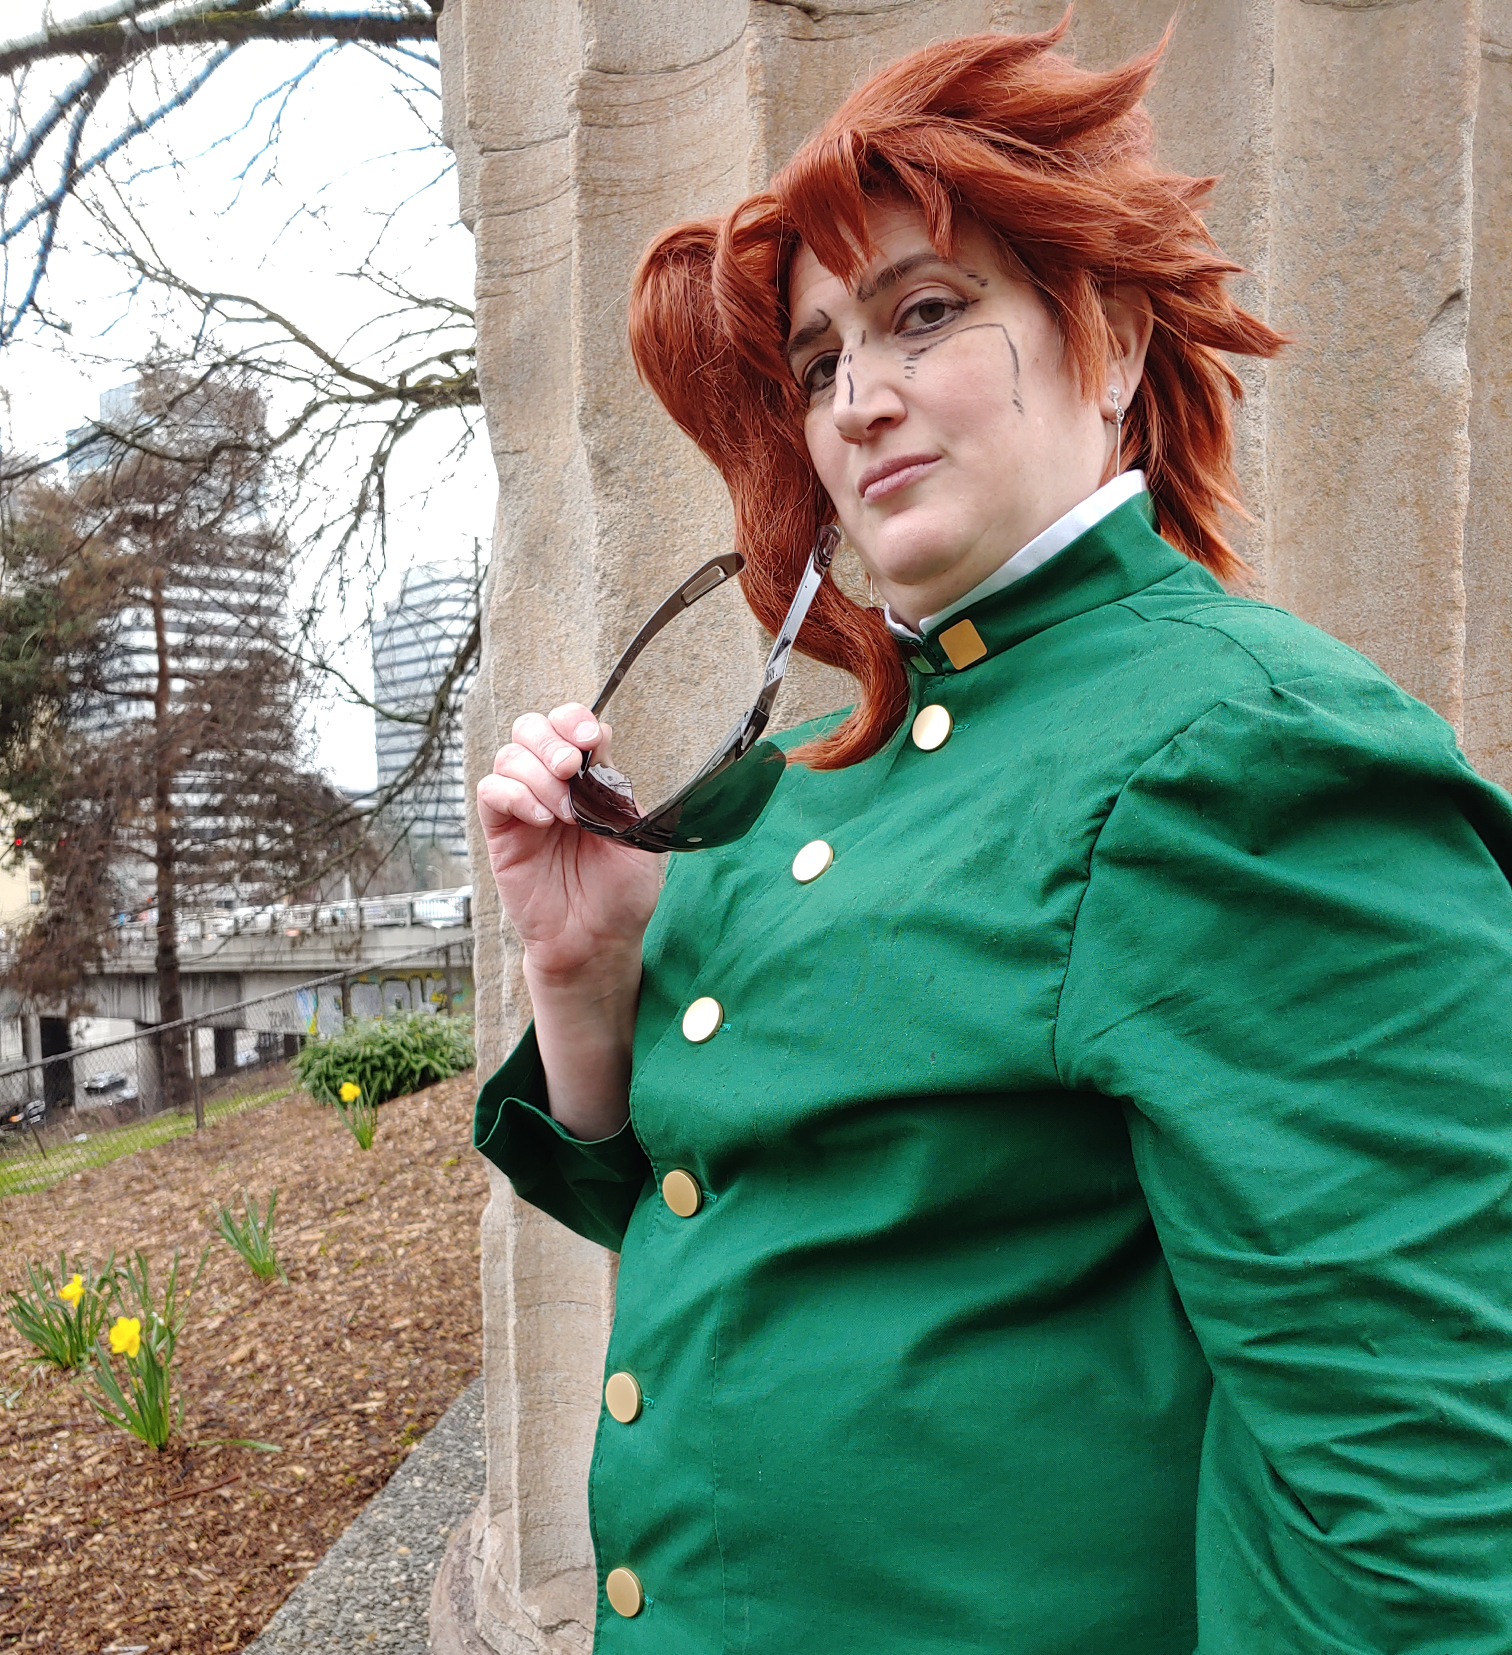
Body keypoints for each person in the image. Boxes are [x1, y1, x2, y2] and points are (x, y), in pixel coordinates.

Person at [473, 22, 1512, 1654]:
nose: (860, 400)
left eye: (926, 313)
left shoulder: (1245, 753)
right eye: (819, 361)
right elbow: (750, 1225)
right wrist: (587, 977)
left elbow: (1414, 1492)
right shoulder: (806, 776)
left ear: (1110, 343)